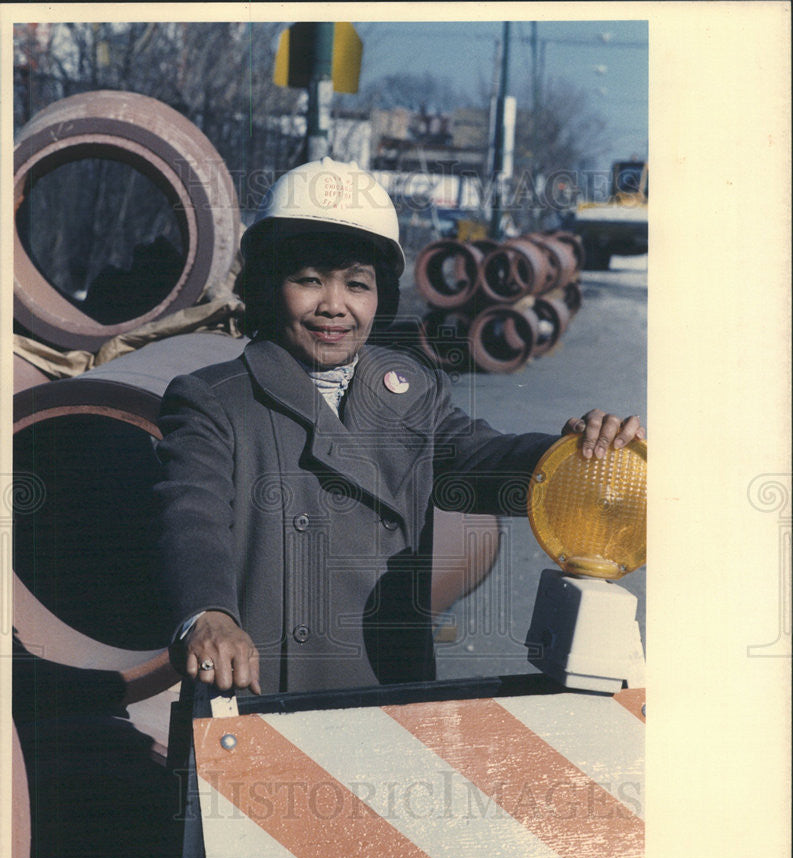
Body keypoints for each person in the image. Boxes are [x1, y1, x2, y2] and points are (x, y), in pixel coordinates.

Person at [154, 157, 645, 700]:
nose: (334, 306)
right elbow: (191, 516)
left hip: (391, 696)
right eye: (309, 281)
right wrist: (209, 615)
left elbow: (484, 460)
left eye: (357, 285)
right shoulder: (215, 399)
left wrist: (574, 453)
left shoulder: (411, 390)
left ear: (380, 296)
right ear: (270, 285)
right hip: (262, 698)